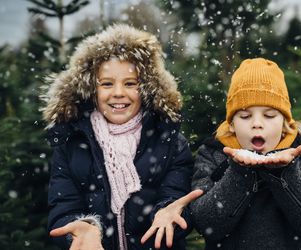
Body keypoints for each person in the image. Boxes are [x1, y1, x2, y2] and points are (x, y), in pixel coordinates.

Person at [41, 24, 202, 250]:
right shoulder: (72, 143)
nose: (118, 93)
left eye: (130, 83)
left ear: (146, 88)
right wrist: (82, 227)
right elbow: (63, 207)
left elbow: (175, 196)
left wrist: (169, 212)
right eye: (107, 83)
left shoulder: (169, 140)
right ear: (91, 89)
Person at [190, 58, 301, 249]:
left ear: (285, 122)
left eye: (269, 115)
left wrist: (285, 173)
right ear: (232, 124)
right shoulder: (212, 155)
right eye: (245, 116)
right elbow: (205, 224)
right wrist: (238, 172)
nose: (257, 123)